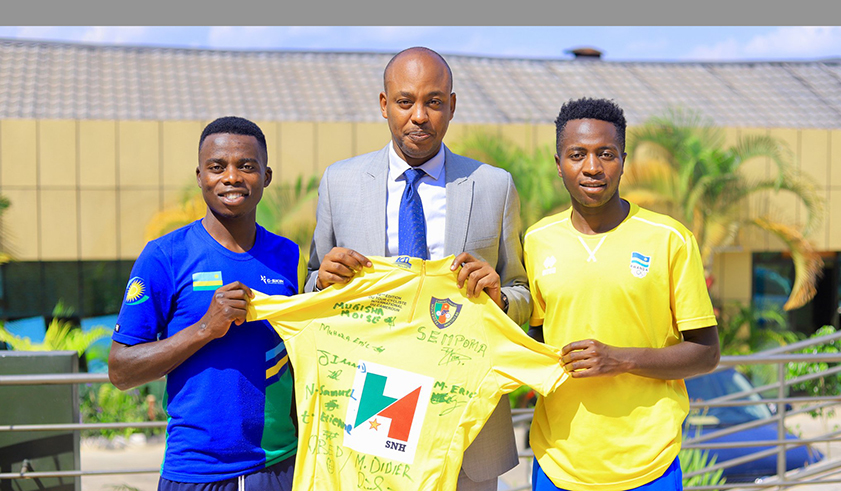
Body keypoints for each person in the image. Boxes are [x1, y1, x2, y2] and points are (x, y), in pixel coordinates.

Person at [305, 46, 530, 491]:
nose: (420, 116)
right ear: (385, 105)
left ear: (452, 105)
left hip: (464, 421)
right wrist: (321, 281)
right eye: (406, 101)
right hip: (371, 411)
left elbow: (523, 294)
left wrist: (501, 297)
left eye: (434, 101)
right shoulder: (339, 182)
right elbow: (312, 285)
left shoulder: (492, 185)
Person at [523, 98, 721, 491]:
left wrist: (620, 359)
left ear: (624, 160)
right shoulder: (536, 241)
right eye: (577, 154)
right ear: (558, 162)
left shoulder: (670, 239)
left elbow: (706, 353)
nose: (592, 167)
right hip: (558, 462)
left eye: (606, 154)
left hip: (649, 464)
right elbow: (534, 344)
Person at [108, 116, 302, 491]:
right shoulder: (165, 256)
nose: (231, 177)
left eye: (247, 166)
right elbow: (120, 371)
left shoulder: (287, 254)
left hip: (279, 466)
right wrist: (204, 329)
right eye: (217, 167)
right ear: (200, 176)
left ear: (267, 176)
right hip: (196, 471)